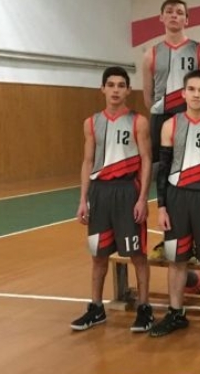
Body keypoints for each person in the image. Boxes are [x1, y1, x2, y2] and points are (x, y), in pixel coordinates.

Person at [149, 70, 200, 339]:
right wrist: (162, 207)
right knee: (176, 259)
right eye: (192, 89)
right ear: (183, 93)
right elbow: (163, 169)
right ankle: (176, 313)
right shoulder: (170, 125)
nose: (196, 94)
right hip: (177, 199)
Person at [72, 66, 153, 332]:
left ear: (128, 90)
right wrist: (83, 199)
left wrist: (142, 198)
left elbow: (146, 160)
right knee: (99, 255)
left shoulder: (138, 122)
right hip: (100, 193)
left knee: (137, 255)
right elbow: (87, 161)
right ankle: (96, 308)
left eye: (121, 85)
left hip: (127, 191)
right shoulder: (91, 123)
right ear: (103, 89)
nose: (116, 90)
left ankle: (144, 308)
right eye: (111, 85)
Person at [142, 0, 200, 163]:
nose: (174, 15)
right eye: (169, 12)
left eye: (179, 13)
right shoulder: (151, 54)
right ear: (161, 17)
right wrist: (160, 109)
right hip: (161, 116)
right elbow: (148, 96)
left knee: (190, 163)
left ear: (186, 20)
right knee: (160, 165)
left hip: (191, 116)